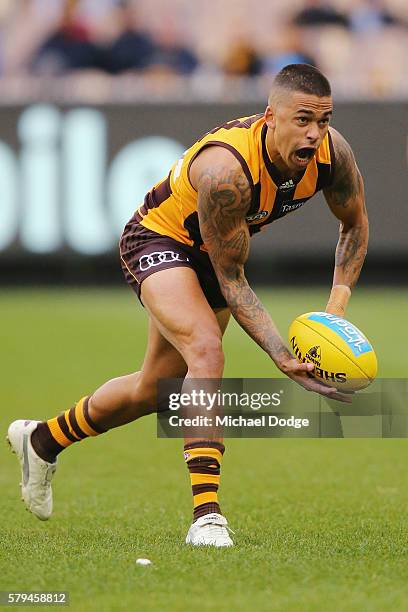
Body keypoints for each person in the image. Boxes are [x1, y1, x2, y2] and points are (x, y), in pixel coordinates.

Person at [7, 64, 368, 548]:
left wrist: (335, 310)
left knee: (154, 389)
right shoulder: (227, 173)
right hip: (160, 238)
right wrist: (281, 353)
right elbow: (233, 278)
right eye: (302, 120)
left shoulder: (331, 155)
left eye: (323, 121)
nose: (314, 133)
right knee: (206, 352)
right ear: (270, 117)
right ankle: (207, 516)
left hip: (212, 252)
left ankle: (43, 440)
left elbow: (355, 223)